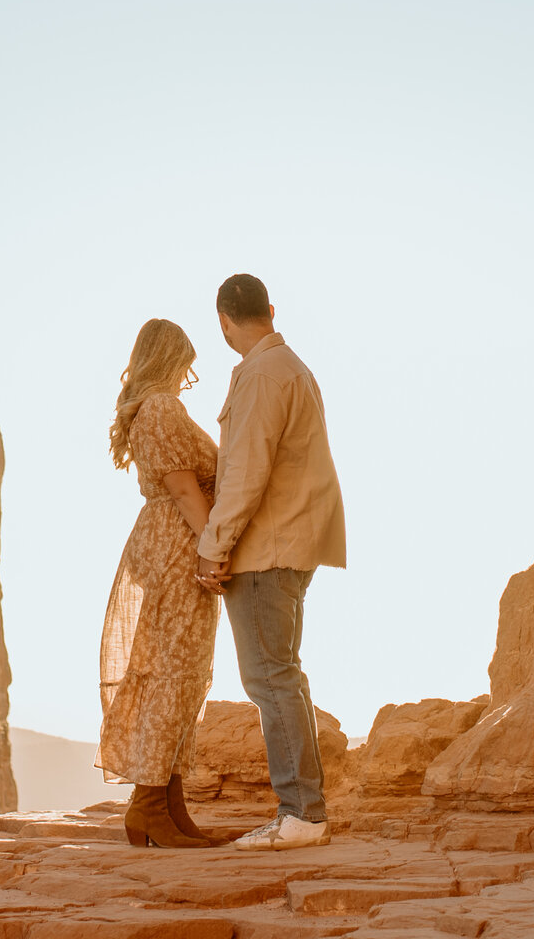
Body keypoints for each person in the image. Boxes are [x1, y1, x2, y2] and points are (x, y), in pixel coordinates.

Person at [196, 273, 346, 850]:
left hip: (268, 546)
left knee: (270, 677)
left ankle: (301, 815)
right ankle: (304, 811)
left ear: (223, 320)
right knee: (283, 673)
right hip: (293, 541)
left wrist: (213, 544)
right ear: (271, 309)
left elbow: (247, 473)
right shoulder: (290, 367)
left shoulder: (262, 374)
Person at [95, 317, 231, 847]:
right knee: (175, 672)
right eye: (187, 366)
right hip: (179, 542)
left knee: (177, 670)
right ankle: (149, 805)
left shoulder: (147, 407)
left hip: (164, 541)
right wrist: (212, 547)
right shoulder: (162, 408)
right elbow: (182, 488)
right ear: (170, 360)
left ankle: (166, 807)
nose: (188, 377)